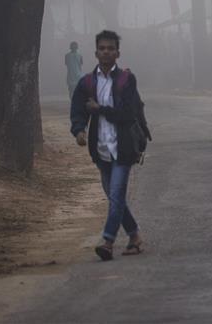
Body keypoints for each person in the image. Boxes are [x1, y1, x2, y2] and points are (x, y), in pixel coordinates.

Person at [70, 30, 147, 261]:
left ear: (117, 53)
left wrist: (100, 109)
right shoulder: (87, 82)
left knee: (115, 196)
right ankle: (134, 237)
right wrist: (79, 130)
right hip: (100, 149)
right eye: (102, 48)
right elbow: (78, 110)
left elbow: (128, 113)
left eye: (110, 48)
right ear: (95, 52)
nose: (106, 52)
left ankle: (107, 242)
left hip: (123, 148)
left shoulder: (126, 80)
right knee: (116, 199)